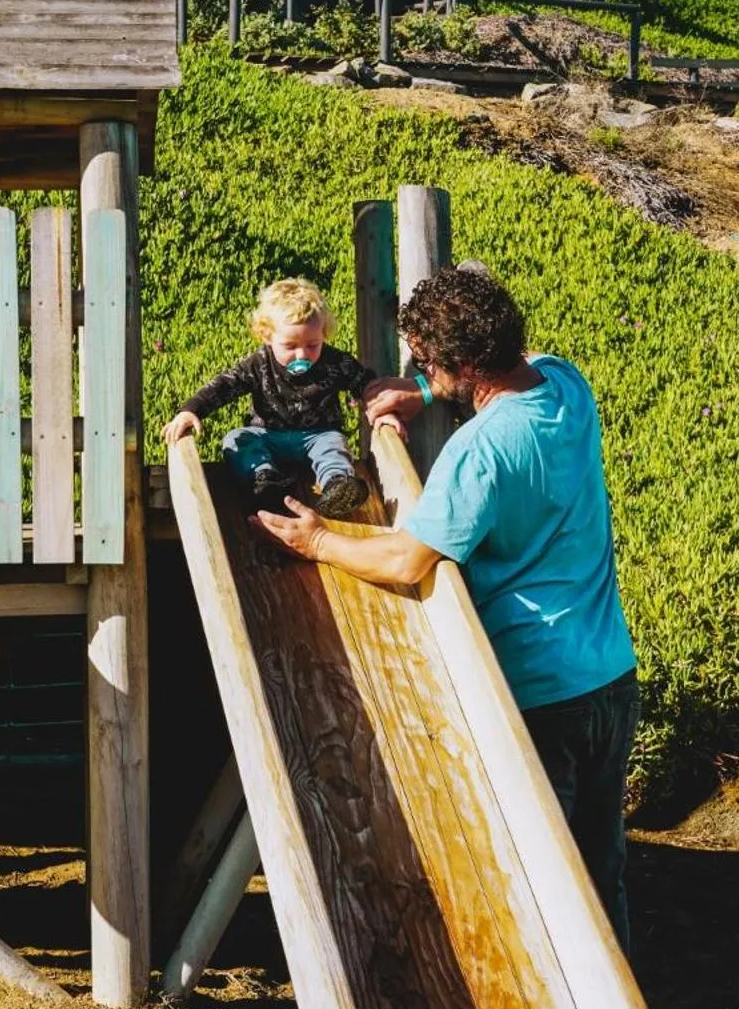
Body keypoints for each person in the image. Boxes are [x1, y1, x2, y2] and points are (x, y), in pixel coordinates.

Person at [252, 267, 641, 951]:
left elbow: (407, 560)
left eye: (428, 364)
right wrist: (425, 391)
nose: (423, 373)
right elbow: (511, 373)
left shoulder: (480, 450)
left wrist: (319, 540)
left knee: (538, 871)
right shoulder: (566, 385)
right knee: (599, 863)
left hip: (534, 691)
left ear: (461, 362)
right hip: (609, 674)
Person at [164, 278, 397, 518]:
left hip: (318, 435)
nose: (301, 354)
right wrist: (191, 410)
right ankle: (264, 479)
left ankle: (337, 485)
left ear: (323, 334)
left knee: (334, 446)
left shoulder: (335, 362)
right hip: (268, 435)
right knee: (238, 439)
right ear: (267, 336)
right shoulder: (258, 364)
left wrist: (384, 409)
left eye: (312, 344)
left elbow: (365, 384)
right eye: (290, 346)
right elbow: (225, 385)